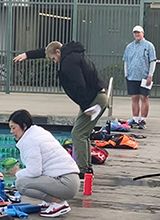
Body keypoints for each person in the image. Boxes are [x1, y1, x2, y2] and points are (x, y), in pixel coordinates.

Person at [13, 41, 108, 179]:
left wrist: (86, 106)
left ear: (58, 53)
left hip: (93, 100)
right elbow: (48, 49)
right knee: (83, 133)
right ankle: (86, 168)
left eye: (54, 59)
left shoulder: (68, 61)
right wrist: (28, 55)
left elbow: (79, 84)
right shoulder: (71, 52)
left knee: (78, 134)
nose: (55, 61)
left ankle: (84, 170)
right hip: (97, 96)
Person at [7, 109, 80, 217]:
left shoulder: (29, 141)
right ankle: (51, 202)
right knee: (24, 180)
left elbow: (34, 172)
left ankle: (57, 203)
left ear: (24, 126)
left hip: (66, 183)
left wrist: (18, 172)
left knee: (21, 183)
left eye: (14, 128)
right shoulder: (37, 132)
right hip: (70, 180)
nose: (11, 132)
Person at [123, 25, 157, 130]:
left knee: (144, 97)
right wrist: (126, 73)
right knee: (134, 97)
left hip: (144, 76)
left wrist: (150, 75)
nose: (137, 34)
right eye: (135, 33)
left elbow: (152, 61)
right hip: (132, 76)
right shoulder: (129, 46)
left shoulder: (149, 46)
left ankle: (143, 119)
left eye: (138, 32)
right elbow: (126, 60)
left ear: (143, 33)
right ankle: (135, 118)